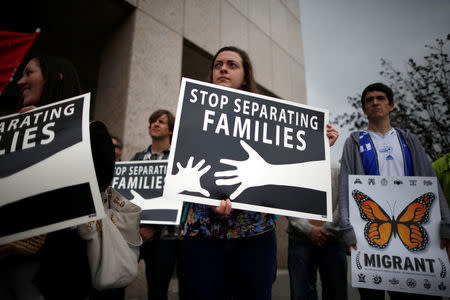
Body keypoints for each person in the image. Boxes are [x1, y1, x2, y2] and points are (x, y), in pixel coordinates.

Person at [338, 82, 450, 300]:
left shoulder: (408, 140)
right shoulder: (355, 142)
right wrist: (346, 228)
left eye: (380, 98)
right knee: (372, 295)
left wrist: (445, 223)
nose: (375, 103)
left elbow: (430, 182)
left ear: (391, 105)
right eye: (369, 100)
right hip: (370, 233)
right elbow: (345, 187)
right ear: (363, 109)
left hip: (412, 229)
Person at [0, 56, 92, 300]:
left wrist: (50, 129)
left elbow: (90, 189)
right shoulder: (10, 132)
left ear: (56, 77)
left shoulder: (92, 132)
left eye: (29, 73)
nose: (20, 81)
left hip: (52, 272)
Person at [131, 109, 181, 300]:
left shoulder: (176, 159)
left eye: (161, 121)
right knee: (116, 280)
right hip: (136, 234)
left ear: (171, 130)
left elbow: (177, 197)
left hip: (165, 237)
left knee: (158, 290)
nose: (155, 124)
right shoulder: (138, 157)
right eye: (153, 121)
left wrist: (155, 226)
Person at [287, 167, 348, 300]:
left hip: (334, 241)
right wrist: (309, 230)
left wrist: (327, 229)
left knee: (336, 292)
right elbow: (287, 201)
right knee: (301, 294)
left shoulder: (338, 171)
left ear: (331, 143)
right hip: (300, 240)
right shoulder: (291, 170)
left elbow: (345, 203)